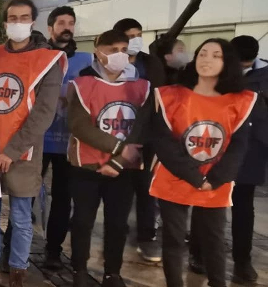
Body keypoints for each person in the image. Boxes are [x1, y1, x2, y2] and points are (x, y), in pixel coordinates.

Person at [149, 39, 261, 287]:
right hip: (175, 177)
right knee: (173, 239)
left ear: (227, 62)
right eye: (202, 54)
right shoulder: (171, 96)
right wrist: (195, 177)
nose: (207, 59)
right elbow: (163, 142)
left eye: (215, 55)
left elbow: (239, 145)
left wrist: (215, 179)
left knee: (214, 240)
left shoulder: (240, 101)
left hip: (215, 180)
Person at [0, 0, 66, 287]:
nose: (18, 23)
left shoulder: (47, 60)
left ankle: (17, 274)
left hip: (23, 153)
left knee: (21, 217)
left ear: (33, 21)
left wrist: (12, 151)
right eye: (12, 18)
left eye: (23, 18)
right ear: (5, 23)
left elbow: (43, 114)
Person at [66, 30, 150, 287]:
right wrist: (119, 148)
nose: (119, 55)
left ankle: (112, 272)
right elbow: (79, 126)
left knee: (117, 224)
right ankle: (80, 270)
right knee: (82, 222)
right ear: (98, 52)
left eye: (123, 49)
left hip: (123, 170)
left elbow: (142, 129)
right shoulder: (82, 85)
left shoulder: (142, 87)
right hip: (87, 166)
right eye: (112, 50)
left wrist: (118, 161)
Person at [40, 6, 92, 270]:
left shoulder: (86, 61)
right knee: (24, 195)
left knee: (62, 199)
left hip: (68, 144)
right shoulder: (38, 57)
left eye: (71, 23)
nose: (67, 27)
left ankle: (53, 250)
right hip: (37, 140)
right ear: (50, 28)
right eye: (61, 23)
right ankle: (11, 247)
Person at [111, 18, 164, 262]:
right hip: (115, 134)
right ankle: (116, 231)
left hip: (147, 136)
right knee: (116, 188)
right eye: (130, 36)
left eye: (139, 35)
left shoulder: (151, 63)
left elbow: (159, 98)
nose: (136, 40)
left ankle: (146, 237)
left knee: (145, 188)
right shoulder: (111, 63)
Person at [228, 35, 268, 284]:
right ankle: (198, 253)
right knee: (207, 203)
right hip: (217, 146)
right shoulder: (220, 72)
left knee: (243, 206)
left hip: (251, 151)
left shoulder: (265, 77)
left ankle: (242, 261)